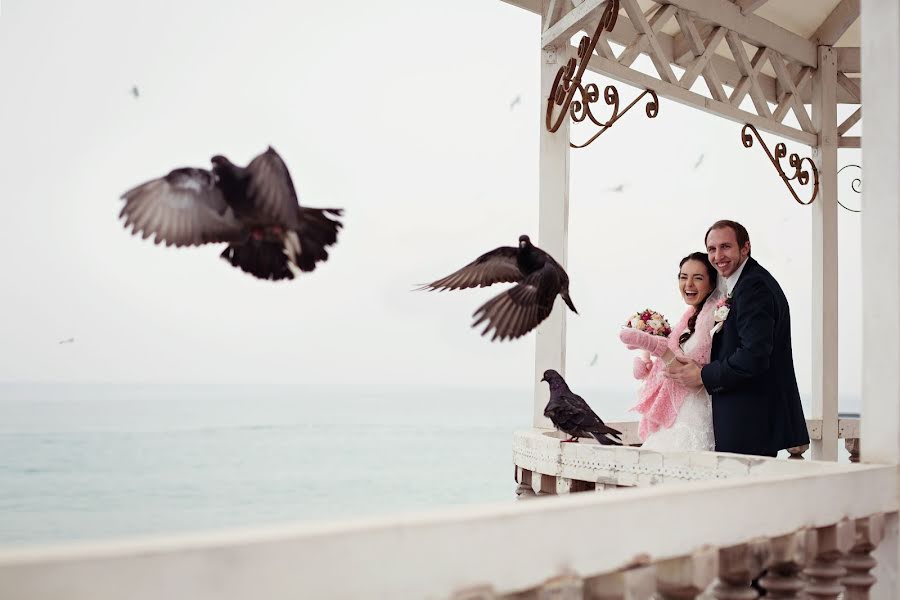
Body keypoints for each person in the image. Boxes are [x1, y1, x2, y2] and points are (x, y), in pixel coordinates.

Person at [665, 220, 810, 456]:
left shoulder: (754, 287)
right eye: (712, 249)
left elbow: (754, 356)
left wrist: (702, 375)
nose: (717, 255)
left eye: (725, 247)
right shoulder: (741, 284)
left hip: (750, 421)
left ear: (745, 248)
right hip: (744, 421)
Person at [618, 252, 720, 451]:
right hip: (678, 411)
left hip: (693, 412)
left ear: (711, 283)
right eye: (683, 277)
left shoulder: (711, 317)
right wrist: (649, 358)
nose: (688, 284)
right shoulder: (689, 318)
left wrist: (654, 345)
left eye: (698, 278)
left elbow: (690, 368)